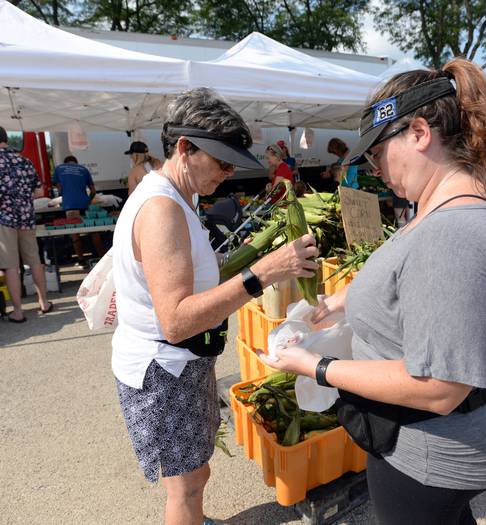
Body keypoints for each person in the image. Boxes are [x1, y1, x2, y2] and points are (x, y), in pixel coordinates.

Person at [259, 59, 486, 524]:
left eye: (377, 152)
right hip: (453, 436)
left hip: (433, 452)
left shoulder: (451, 236)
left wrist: (315, 367)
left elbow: (440, 387)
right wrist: (343, 302)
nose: (375, 167)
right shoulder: (450, 202)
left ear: (420, 132)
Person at [111, 88, 318, 525]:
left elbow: (179, 272)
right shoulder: (162, 208)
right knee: (184, 486)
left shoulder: (176, 196)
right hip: (164, 368)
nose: (227, 173)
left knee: (194, 474)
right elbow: (176, 320)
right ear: (185, 148)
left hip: (178, 365)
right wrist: (258, 274)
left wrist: (228, 260)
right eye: (221, 162)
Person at [0, 124, 52, 323]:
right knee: (34, 260)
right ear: (5, 139)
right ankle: (44, 302)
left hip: (3, 219)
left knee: (10, 266)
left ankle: (18, 311)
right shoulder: (23, 160)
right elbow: (39, 192)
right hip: (26, 217)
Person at [53, 155, 105, 267]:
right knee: (94, 231)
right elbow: (93, 191)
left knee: (75, 235)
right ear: (76, 162)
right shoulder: (84, 169)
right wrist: (89, 200)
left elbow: (59, 189)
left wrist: (66, 194)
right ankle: (103, 258)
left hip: (70, 205)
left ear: (65, 163)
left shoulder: (59, 169)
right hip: (85, 204)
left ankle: (81, 260)